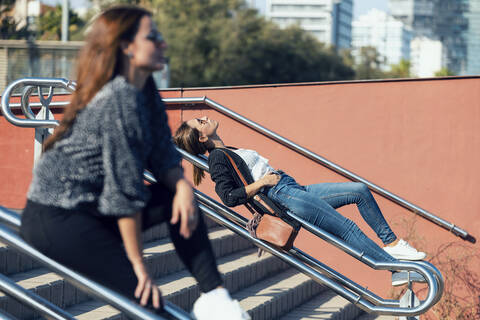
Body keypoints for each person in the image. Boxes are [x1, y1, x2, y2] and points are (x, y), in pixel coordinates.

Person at [19, 7, 249, 320]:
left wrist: (182, 186)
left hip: (95, 207)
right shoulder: (117, 99)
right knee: (147, 303)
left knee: (176, 197)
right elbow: (123, 192)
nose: (163, 43)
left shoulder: (144, 87)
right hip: (59, 218)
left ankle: (215, 298)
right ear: (127, 46)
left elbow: (162, 155)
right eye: (153, 37)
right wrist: (138, 266)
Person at [174, 116, 427, 286]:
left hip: (291, 186)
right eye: (200, 122)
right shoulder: (217, 158)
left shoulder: (226, 150)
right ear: (202, 138)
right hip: (283, 195)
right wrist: (262, 183)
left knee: (359, 191)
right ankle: (395, 269)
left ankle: (391, 243)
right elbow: (228, 196)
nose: (205, 117)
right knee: (347, 228)